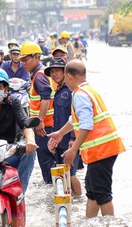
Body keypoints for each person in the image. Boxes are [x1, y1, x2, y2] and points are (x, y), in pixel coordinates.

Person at [47, 60, 125, 217]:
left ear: (68, 76)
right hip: (103, 150)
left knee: (103, 194)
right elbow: (75, 119)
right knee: (92, 190)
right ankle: (91, 224)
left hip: (102, 150)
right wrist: (61, 133)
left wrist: (73, 149)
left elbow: (86, 125)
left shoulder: (80, 95)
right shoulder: (87, 90)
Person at [19, 41, 56, 184]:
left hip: (44, 126)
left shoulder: (39, 76)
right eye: (22, 60)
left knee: (47, 162)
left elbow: (46, 99)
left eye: (26, 60)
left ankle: (53, 194)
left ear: (36, 57)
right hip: (50, 123)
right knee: (53, 160)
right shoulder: (42, 73)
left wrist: (40, 121)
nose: (23, 63)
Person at [44, 58, 81, 195]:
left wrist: (73, 138)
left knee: (71, 174)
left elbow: (76, 115)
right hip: (59, 140)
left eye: (57, 71)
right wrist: (53, 139)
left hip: (70, 141)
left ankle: (78, 200)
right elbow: (57, 118)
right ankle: (68, 202)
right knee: (62, 172)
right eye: (52, 72)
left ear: (65, 72)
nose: (54, 74)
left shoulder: (71, 91)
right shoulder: (58, 91)